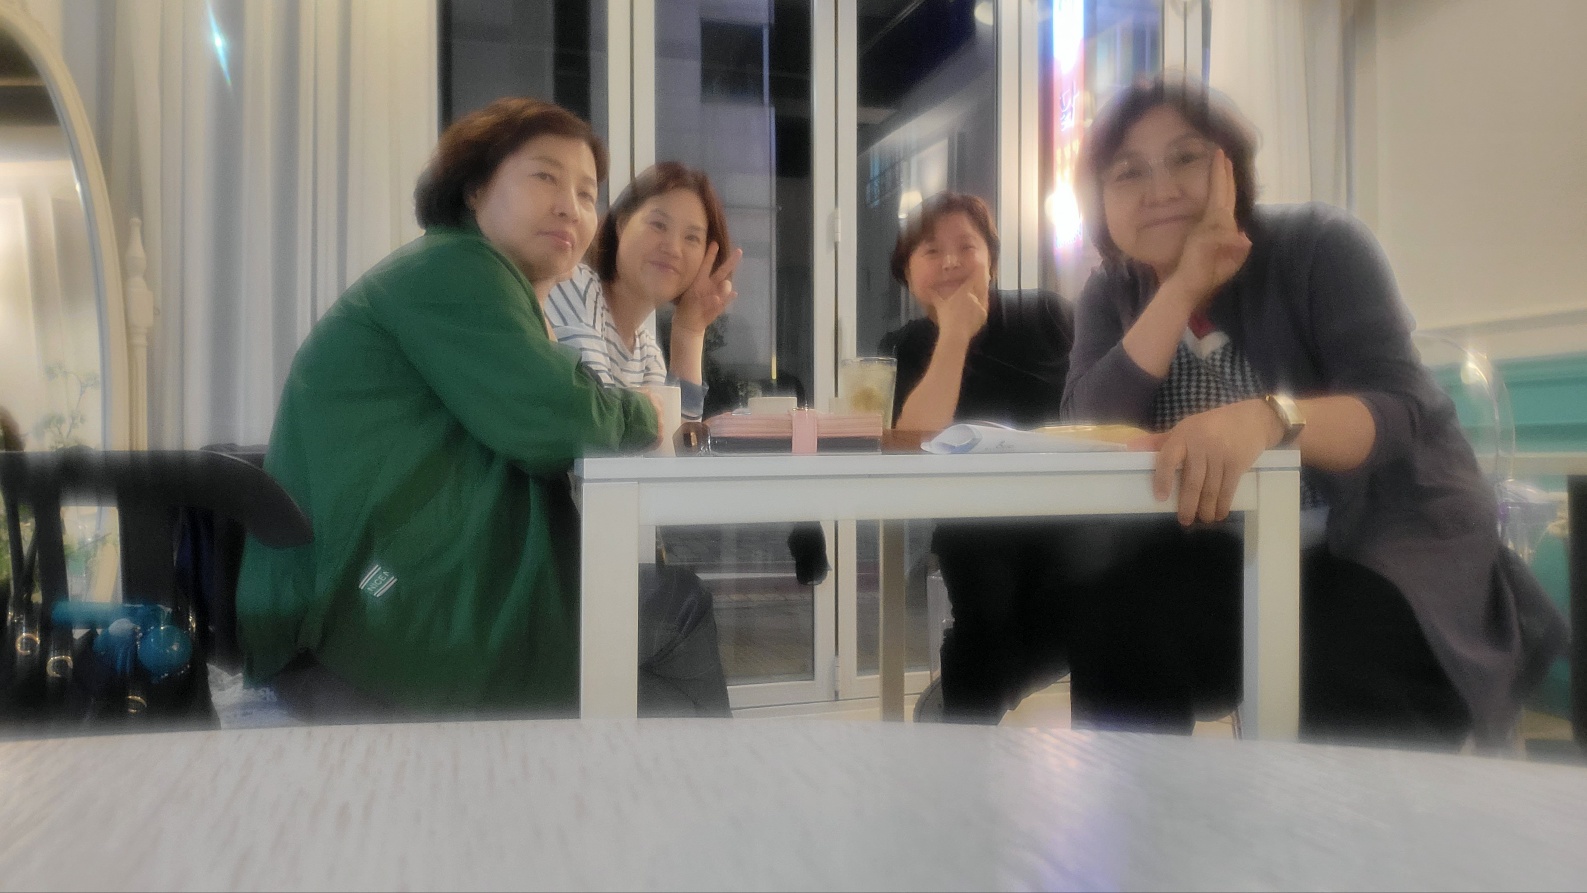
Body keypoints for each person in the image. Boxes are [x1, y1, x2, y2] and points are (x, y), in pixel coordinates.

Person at [1062, 74, 1557, 748]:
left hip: (1388, 539)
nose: (1160, 189)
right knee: (1112, 617)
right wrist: (1180, 288)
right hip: (1233, 551)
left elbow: (1398, 407)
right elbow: (1088, 426)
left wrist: (1268, 419)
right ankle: (1146, 810)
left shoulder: (1318, 244)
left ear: (1229, 168)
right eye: (1128, 172)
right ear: (1099, 202)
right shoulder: (1110, 292)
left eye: (1185, 157)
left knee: (1334, 667)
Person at [236, 98, 729, 719]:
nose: (569, 206)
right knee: (678, 609)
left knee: (648, 680)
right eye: (545, 176)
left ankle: (604, 770)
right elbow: (561, 417)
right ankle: (669, 776)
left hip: (401, 578)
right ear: (474, 189)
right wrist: (646, 414)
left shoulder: (483, 279)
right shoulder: (457, 268)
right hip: (367, 602)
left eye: (585, 193)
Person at [881, 191, 1078, 723]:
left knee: (1097, 597)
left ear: (991, 259)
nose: (950, 262)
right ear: (907, 272)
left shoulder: (1048, 315)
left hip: (1075, 512)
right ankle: (964, 717)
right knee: (987, 607)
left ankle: (964, 700)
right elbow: (913, 445)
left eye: (966, 247)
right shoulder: (904, 347)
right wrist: (953, 337)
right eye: (930, 250)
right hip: (978, 524)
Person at [545, 161, 741, 421]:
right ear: (622, 223)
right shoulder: (573, 288)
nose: (673, 248)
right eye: (659, 225)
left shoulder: (647, 355)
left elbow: (672, 442)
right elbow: (596, 426)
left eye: (691, 238)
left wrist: (689, 332)